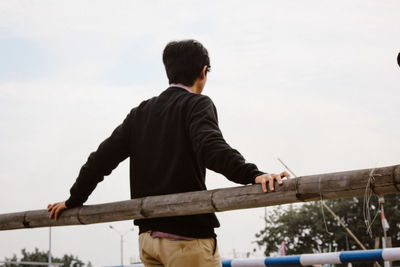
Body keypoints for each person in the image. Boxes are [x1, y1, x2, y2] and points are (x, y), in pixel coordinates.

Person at [48, 39, 290, 267]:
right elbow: (210, 146)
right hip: (186, 239)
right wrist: (252, 174)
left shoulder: (140, 113)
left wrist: (73, 200)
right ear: (203, 71)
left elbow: (100, 159)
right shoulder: (197, 104)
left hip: (148, 241)